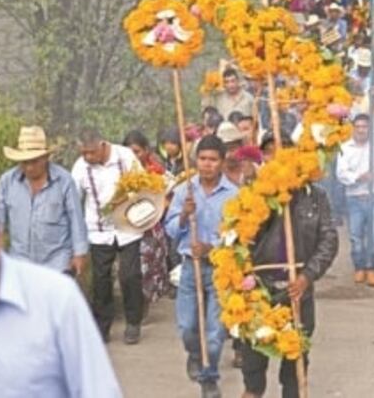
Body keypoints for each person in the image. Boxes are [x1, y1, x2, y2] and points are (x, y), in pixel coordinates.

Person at [0, 175, 122, 397]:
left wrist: (78, 250)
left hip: (55, 257)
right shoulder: (8, 182)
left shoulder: (57, 300)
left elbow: (97, 390)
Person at [238, 182, 338, 398]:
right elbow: (236, 242)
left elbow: (329, 240)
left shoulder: (316, 196)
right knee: (252, 370)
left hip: (298, 292)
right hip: (259, 290)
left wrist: (307, 276)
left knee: (295, 367)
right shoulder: (254, 193)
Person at [164, 135, 238, 398]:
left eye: (213, 160)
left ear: (222, 162)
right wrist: (184, 215)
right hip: (189, 267)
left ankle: (209, 377)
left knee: (216, 332)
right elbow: (171, 230)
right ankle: (195, 355)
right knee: (187, 327)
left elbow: (237, 237)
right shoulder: (185, 190)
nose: (207, 164)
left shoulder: (234, 194)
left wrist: (211, 247)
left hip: (220, 270)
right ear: (196, 161)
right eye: (203, 159)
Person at [71, 126, 144, 344]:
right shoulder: (80, 167)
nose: (87, 157)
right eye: (83, 152)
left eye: (91, 152)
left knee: (130, 276)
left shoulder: (125, 156)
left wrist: (129, 199)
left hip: (128, 227)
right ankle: (102, 327)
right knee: (101, 281)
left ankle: (133, 322)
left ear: (103, 146)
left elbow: (143, 184)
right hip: (98, 231)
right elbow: (74, 198)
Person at [0, 125, 88, 275]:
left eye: (34, 161)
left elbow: (75, 218)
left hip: (57, 260)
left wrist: (79, 254)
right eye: (24, 162)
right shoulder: (7, 182)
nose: (30, 167)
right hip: (20, 259)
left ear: (45, 158)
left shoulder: (64, 181)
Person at [122, 130, 172, 314]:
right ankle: (135, 306)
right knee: (132, 270)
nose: (133, 156)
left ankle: (144, 303)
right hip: (127, 228)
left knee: (148, 268)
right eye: (129, 151)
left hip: (151, 227)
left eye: (137, 151)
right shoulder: (120, 173)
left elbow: (169, 197)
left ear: (146, 151)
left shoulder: (157, 172)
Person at [336, 114, 374, 287]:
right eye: (359, 126)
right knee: (356, 236)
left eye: (365, 127)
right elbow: (341, 173)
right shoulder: (345, 148)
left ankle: (371, 267)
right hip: (354, 198)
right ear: (353, 128)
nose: (362, 130)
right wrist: (358, 177)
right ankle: (359, 267)